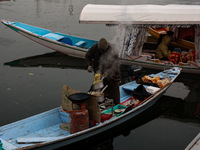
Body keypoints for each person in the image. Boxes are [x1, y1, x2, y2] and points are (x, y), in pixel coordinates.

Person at [85, 38, 120, 105]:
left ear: (106, 48)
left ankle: (116, 106)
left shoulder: (112, 50)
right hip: (99, 73)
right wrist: (88, 65)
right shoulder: (95, 47)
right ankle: (98, 105)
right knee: (97, 90)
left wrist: (108, 72)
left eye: (103, 50)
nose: (101, 51)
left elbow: (116, 65)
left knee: (114, 95)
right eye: (100, 50)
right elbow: (87, 56)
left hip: (112, 76)